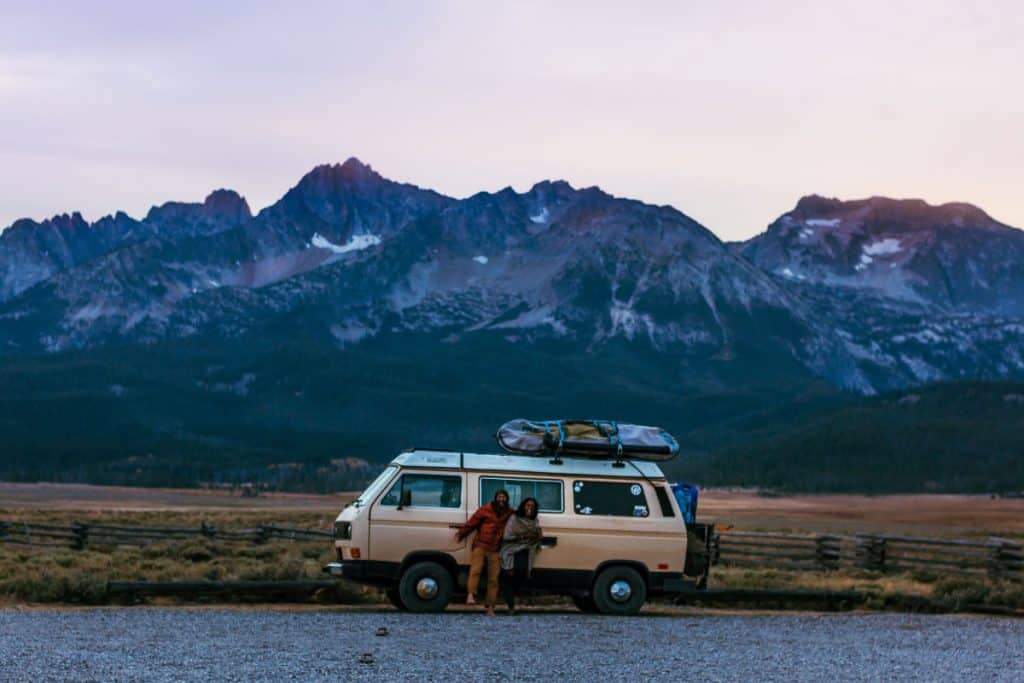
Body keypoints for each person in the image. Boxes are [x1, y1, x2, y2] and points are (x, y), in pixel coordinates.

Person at [455, 489, 513, 616]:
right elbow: (472, 522)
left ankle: (490, 607)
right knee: (475, 570)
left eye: (504, 497)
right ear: (495, 498)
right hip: (480, 545)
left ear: (507, 499)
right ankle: (471, 595)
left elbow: (521, 517)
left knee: (494, 578)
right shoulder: (485, 509)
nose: (501, 499)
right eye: (499, 496)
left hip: (495, 549)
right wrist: (461, 534)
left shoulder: (509, 512)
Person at [500, 497, 543, 614]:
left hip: (526, 550)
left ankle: (512, 602)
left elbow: (539, 534)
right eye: (528, 505)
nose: (530, 508)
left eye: (532, 506)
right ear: (523, 506)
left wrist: (536, 535)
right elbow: (507, 536)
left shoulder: (535, 520)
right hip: (512, 550)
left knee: (519, 577)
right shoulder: (514, 518)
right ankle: (511, 607)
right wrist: (523, 536)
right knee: (509, 577)